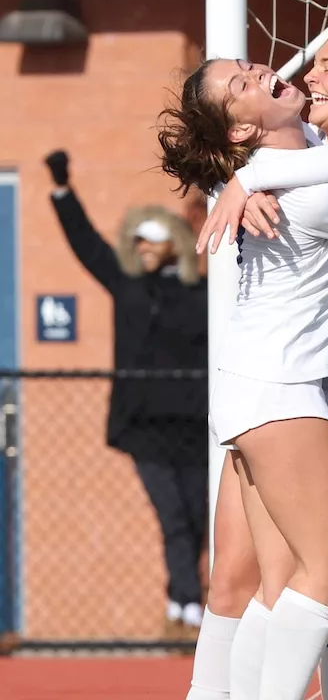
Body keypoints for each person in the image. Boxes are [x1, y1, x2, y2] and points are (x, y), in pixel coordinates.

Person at [157, 56, 328, 700]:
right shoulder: (315, 188)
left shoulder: (304, 161)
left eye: (249, 68)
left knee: (283, 579)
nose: (263, 68)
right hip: (276, 388)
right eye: (240, 83)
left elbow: (326, 149)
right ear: (238, 131)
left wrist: (243, 173)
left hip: (268, 384)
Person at [43, 150, 209, 638]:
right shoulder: (127, 285)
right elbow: (86, 245)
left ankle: (184, 604)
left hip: (196, 423)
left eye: (156, 240)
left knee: (198, 516)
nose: (146, 248)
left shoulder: (203, 293)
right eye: (139, 240)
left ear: (174, 244)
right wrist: (61, 187)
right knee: (173, 515)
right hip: (144, 425)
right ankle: (186, 609)